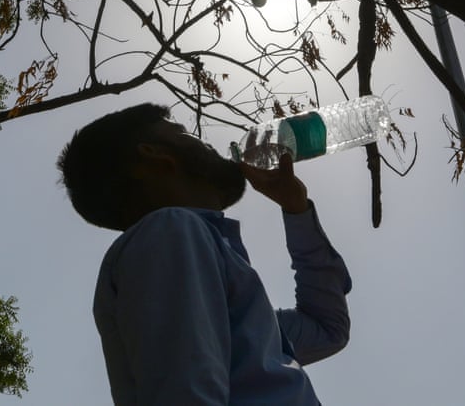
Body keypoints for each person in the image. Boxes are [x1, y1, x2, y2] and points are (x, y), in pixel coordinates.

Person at [57, 103, 351, 405]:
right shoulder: (169, 231)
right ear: (154, 154)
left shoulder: (208, 269)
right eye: (183, 133)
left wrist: (296, 209)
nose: (207, 142)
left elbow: (328, 329)